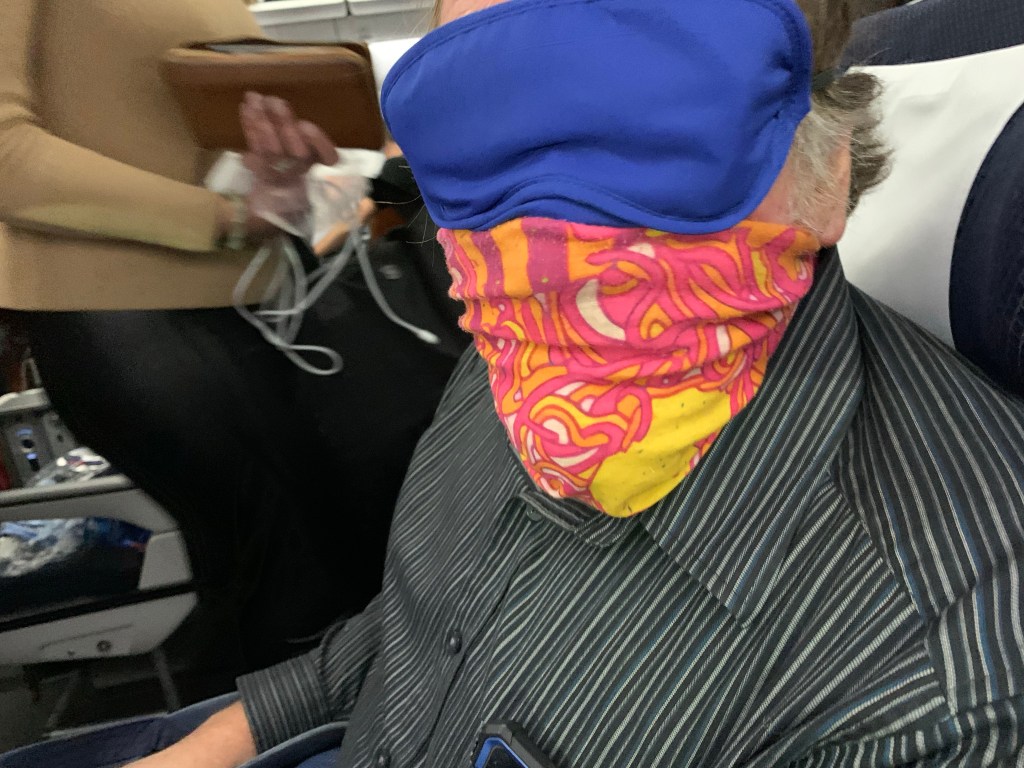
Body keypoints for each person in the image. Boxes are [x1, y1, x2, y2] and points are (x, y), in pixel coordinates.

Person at [5, 0, 1024, 766]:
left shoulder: (921, 672)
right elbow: (414, 627)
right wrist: (209, 746)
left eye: (643, 133)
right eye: (479, 132)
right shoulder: (509, 369)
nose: (550, 241)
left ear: (826, 170)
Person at [0, 0, 395, 670]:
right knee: (298, 582)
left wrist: (270, 172)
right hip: (126, 306)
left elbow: (154, 129)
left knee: (337, 564)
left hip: (247, 299)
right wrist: (223, 216)